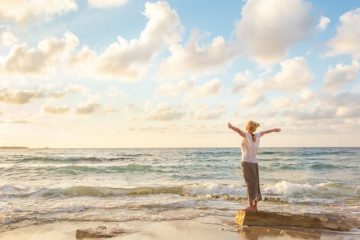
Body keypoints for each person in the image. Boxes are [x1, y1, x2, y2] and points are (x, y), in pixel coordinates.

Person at [228, 121, 281, 211]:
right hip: (254, 163)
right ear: (254, 128)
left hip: (246, 162)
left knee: (249, 184)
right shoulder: (257, 135)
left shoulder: (246, 135)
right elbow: (266, 131)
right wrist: (275, 130)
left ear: (247, 127)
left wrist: (231, 127)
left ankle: (251, 206)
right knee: (255, 184)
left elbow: (238, 130)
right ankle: (255, 206)